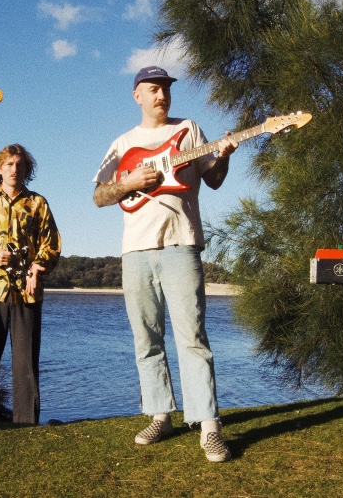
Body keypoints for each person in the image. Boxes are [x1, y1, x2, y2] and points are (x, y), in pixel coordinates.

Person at [92, 66, 238, 462]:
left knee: (192, 338)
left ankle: (208, 426)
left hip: (181, 244)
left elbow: (215, 180)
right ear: (137, 95)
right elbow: (100, 195)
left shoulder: (190, 129)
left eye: (167, 90)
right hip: (135, 251)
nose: (162, 96)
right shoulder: (123, 142)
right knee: (146, 340)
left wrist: (223, 156)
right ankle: (161, 414)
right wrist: (130, 183)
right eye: (154, 90)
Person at [0, 144, 61, 425]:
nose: (14, 169)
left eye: (20, 165)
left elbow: (51, 244)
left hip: (26, 291)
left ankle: (25, 424)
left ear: (27, 170)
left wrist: (37, 268)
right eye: (8, 164)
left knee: (26, 362)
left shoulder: (38, 203)